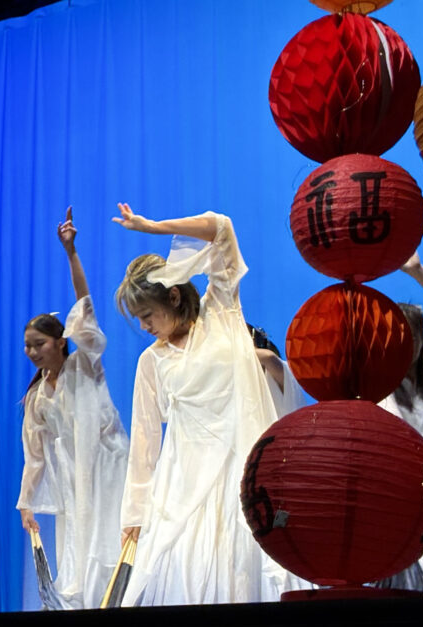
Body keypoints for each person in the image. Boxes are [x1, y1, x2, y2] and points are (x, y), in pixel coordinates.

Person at [113, 204, 295, 606]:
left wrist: (152, 226)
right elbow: (144, 442)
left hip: (240, 475)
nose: (144, 326)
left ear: (173, 295)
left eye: (147, 315)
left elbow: (222, 228)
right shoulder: (152, 361)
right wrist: (135, 516)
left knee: (245, 575)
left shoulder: (221, 314)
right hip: (184, 489)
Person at [17, 207, 129, 609]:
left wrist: (71, 253)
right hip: (72, 479)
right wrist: (26, 503)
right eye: (28, 346)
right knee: (79, 556)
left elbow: (85, 307)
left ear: (61, 342)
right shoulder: (37, 397)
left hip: (106, 467)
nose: (32, 351)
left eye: (39, 344)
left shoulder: (85, 364)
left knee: (109, 545)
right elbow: (34, 456)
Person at [376, 251, 423, 593]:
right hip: (398, 508)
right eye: (397, 334)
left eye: (412, 334)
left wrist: (418, 272)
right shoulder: (374, 391)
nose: (405, 342)